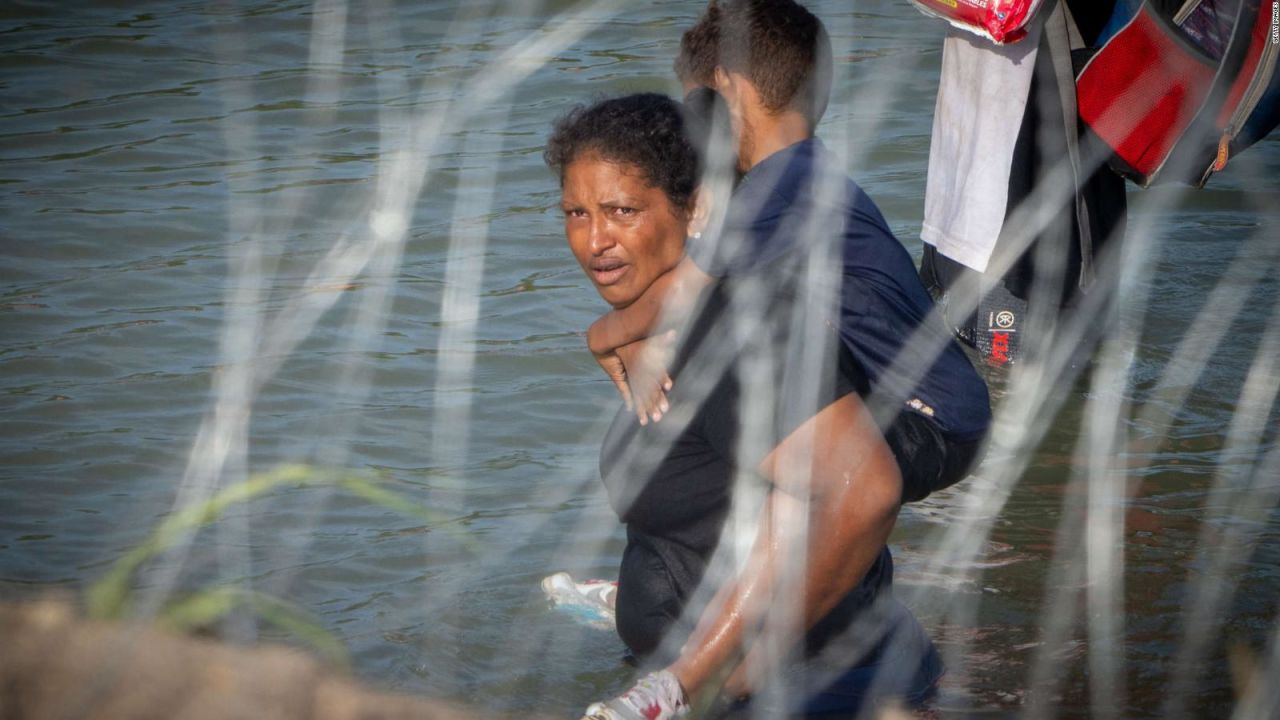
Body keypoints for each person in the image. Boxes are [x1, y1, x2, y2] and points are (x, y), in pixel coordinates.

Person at [547, 90, 943, 720]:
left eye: (622, 211)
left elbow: (861, 491)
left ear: (696, 209)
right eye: (575, 212)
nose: (596, 240)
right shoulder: (676, 323)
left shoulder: (733, 331)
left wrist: (709, 679)